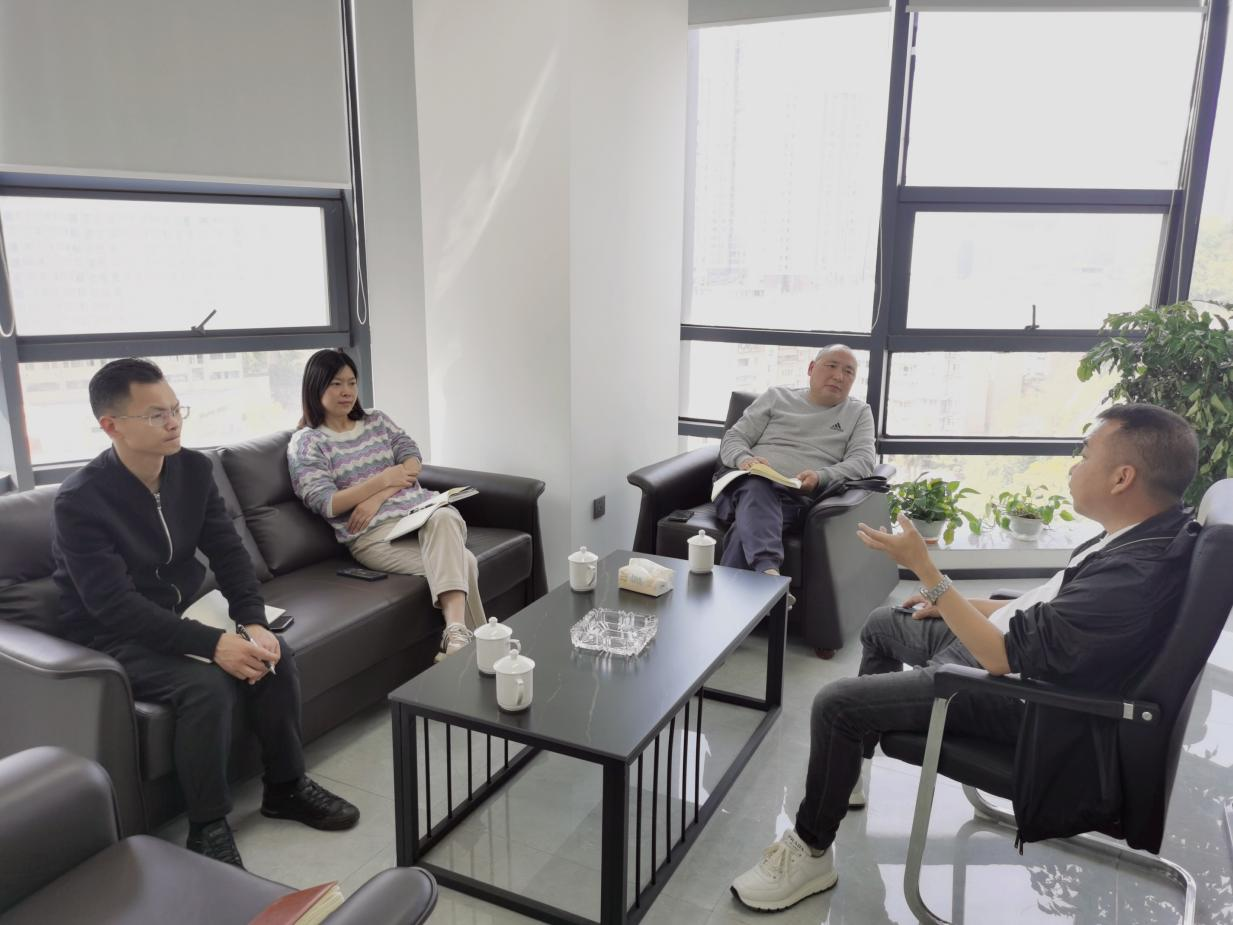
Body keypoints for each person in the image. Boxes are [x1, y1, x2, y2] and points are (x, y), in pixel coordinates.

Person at [730, 403, 1199, 912]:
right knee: (882, 626)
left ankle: (811, 853)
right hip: (1005, 654)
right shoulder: (1134, 534)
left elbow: (999, 657)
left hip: (1017, 696)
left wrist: (927, 572)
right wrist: (953, 601)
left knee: (836, 703)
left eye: (1085, 456)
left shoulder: (1130, 576)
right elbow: (1040, 610)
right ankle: (845, 777)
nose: (1073, 467)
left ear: (1122, 477)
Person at [51, 358, 359, 870]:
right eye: (156, 415)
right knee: (206, 686)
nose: (173, 422)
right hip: (111, 634)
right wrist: (213, 644)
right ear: (111, 426)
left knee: (274, 656)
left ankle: (286, 788)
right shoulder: (80, 501)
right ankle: (208, 825)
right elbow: (113, 605)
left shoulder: (192, 470)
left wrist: (252, 621)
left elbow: (229, 552)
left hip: (189, 608)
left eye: (176, 409)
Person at [287, 349, 484, 659]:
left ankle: (460, 645)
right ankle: (468, 647)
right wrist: (382, 480)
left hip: (422, 515)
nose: (347, 391)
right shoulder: (308, 442)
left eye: (352, 382)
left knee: (444, 516)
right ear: (315, 387)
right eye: (336, 384)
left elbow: (411, 457)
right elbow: (326, 503)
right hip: (372, 536)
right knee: (465, 562)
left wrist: (378, 494)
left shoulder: (376, 420)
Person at [715, 345, 876, 584]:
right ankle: (769, 576)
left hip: (795, 499)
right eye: (831, 366)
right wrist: (745, 460)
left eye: (848, 372)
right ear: (811, 368)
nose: (839, 376)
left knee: (745, 529)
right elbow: (734, 437)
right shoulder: (776, 397)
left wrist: (821, 476)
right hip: (742, 486)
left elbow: (863, 461)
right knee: (757, 484)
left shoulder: (858, 412)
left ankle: (760, 591)